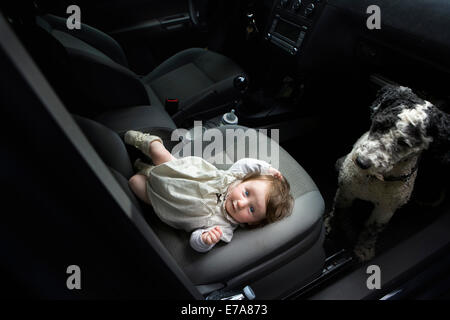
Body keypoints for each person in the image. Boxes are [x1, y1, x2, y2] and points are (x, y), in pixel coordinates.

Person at [124, 130, 294, 253]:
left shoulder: (223, 228)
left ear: (253, 223)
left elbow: (195, 240)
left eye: (251, 209)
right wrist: (267, 169)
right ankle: (146, 141)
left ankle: (146, 171)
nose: (242, 203)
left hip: (165, 202)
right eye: (247, 193)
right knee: (158, 153)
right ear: (244, 181)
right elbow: (246, 163)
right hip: (178, 173)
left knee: (135, 182)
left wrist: (205, 240)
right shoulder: (233, 177)